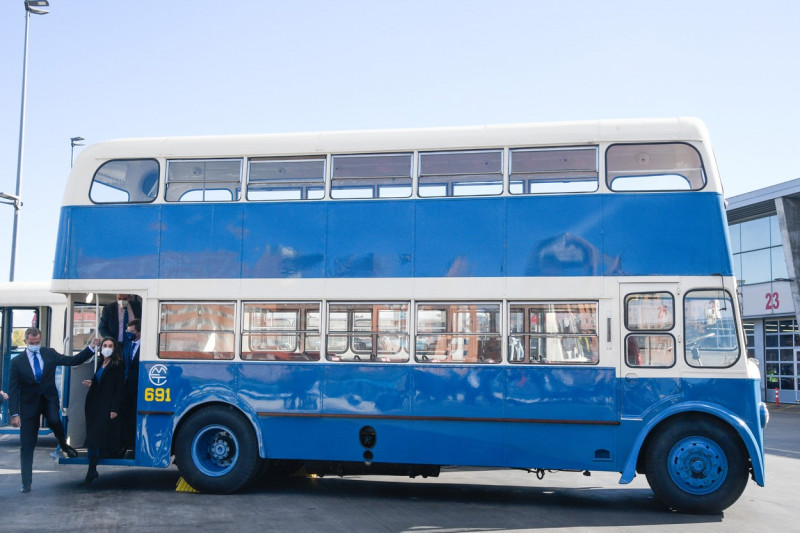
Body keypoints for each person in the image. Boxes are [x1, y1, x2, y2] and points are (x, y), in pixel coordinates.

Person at [8, 327, 99, 493]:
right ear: (25, 341)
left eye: (37, 342)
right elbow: (13, 389)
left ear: (41, 340)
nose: (35, 345)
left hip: (48, 399)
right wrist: (14, 414)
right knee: (27, 445)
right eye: (31, 342)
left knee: (55, 420)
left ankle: (63, 444)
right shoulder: (17, 362)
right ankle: (26, 482)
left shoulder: (49, 353)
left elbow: (72, 361)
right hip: (28, 406)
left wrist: (91, 348)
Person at [80, 336, 125, 486]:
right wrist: (92, 382)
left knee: (93, 438)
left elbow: (119, 389)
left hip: (106, 406)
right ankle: (92, 470)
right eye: (105, 345)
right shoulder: (102, 362)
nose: (106, 347)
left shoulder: (117, 365)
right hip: (95, 405)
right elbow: (102, 381)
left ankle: (91, 471)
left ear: (114, 348)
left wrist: (114, 408)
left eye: (110, 345)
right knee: (93, 437)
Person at [120, 319, 141, 456]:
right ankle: (125, 444)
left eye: (132, 332)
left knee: (135, 416)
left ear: (139, 332)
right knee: (125, 417)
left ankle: (134, 445)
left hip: (138, 386)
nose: (130, 334)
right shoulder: (127, 345)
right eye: (128, 331)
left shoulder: (145, 346)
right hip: (126, 386)